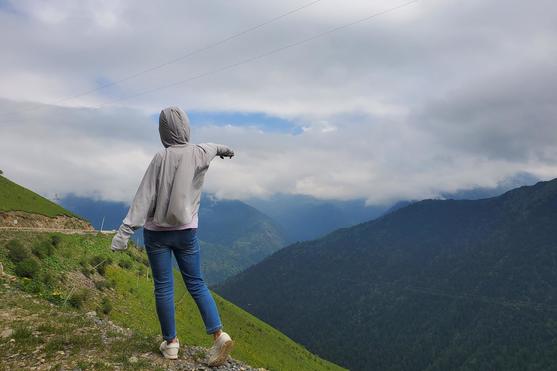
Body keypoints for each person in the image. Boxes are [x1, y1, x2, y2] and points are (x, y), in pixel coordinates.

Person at [111, 106, 235, 366]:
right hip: (187, 231)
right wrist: (226, 151)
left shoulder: (160, 157)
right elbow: (216, 146)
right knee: (197, 284)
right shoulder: (201, 152)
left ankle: (171, 344)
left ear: (163, 131)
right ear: (186, 128)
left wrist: (123, 234)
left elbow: (144, 197)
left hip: (157, 234)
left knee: (164, 287)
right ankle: (218, 335)